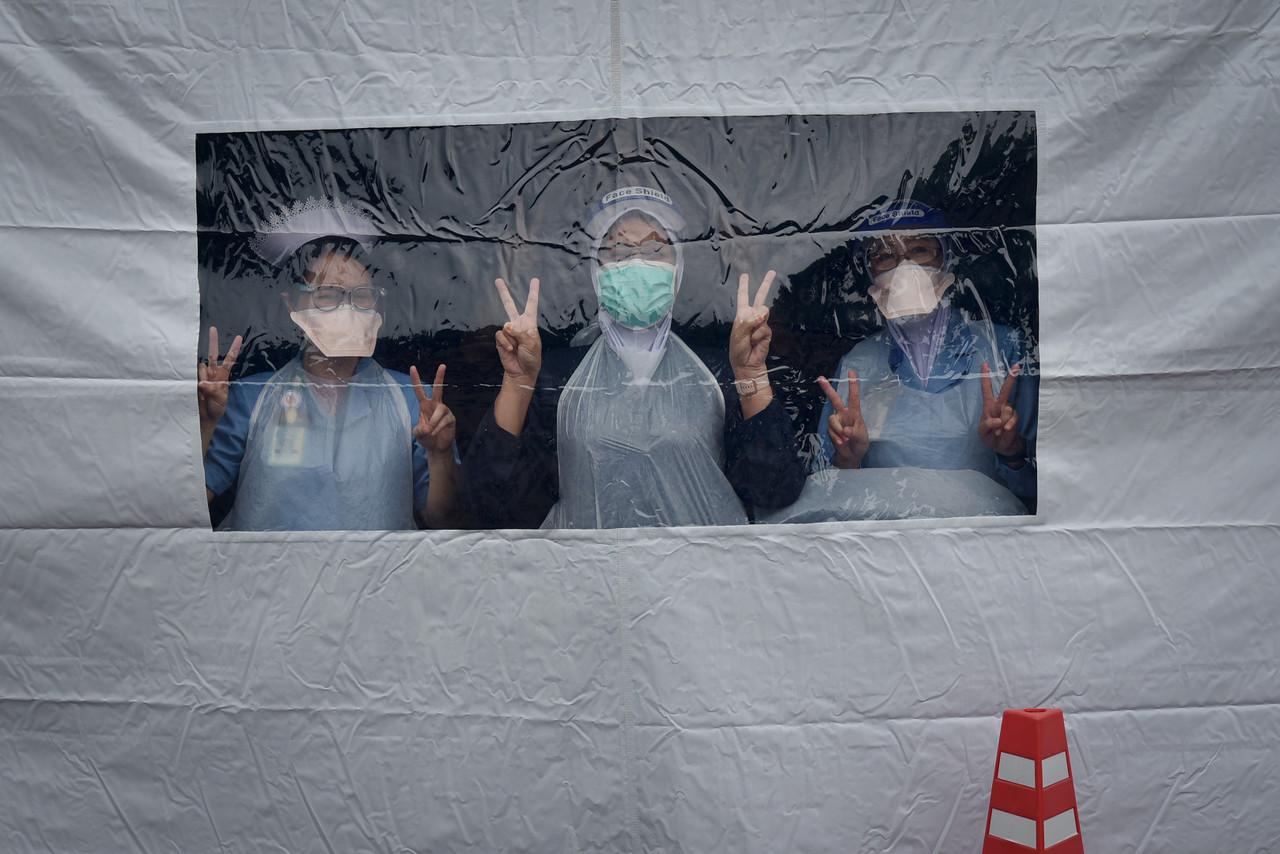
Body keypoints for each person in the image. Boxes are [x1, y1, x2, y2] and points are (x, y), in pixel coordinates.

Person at [461, 185, 806, 529]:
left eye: (656, 247)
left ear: (678, 267)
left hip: (700, 576)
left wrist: (750, 373)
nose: (638, 261)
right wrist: (519, 382)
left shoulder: (716, 373)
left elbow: (774, 490)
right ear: (597, 270)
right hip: (589, 578)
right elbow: (492, 505)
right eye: (619, 249)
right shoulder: (557, 379)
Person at [199, 199, 458, 531]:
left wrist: (440, 455)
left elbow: (442, 519)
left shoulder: (411, 398)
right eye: (329, 295)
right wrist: (206, 426)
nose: (346, 309)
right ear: (292, 302)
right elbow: (189, 503)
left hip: (377, 581)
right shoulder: (251, 397)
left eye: (361, 295)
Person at [812, 200, 1038, 514]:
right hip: (887, 540)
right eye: (884, 256)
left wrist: (1012, 452)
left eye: (920, 250)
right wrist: (847, 460)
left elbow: (1047, 487)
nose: (904, 270)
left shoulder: (1001, 348)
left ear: (946, 259)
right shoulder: (859, 364)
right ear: (869, 272)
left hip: (984, 539)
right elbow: (827, 493)